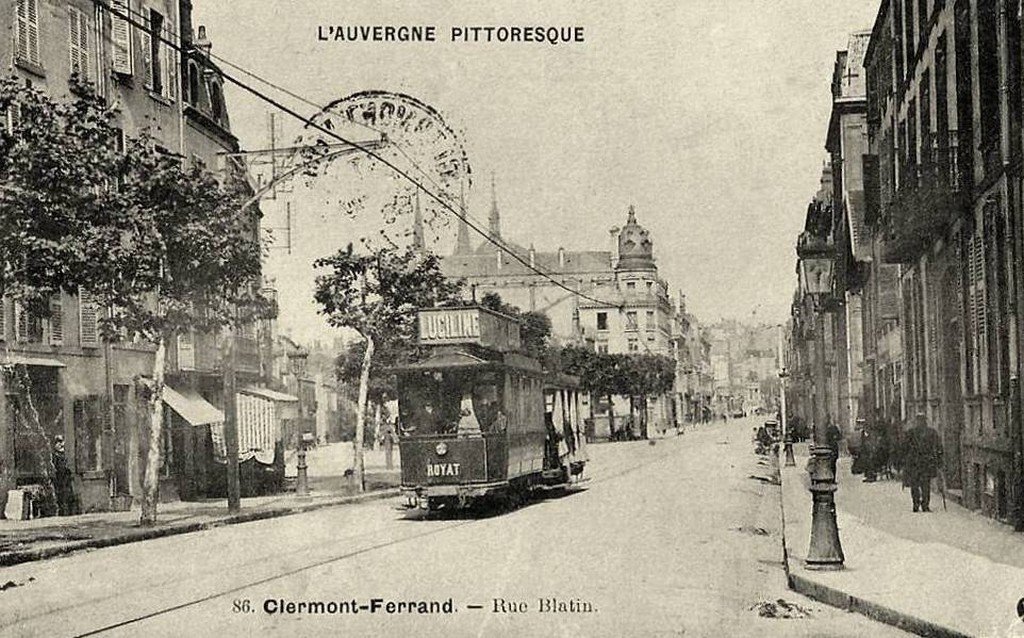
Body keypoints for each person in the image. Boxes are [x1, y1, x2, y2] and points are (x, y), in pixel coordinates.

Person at [903, 413, 942, 512]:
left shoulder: (911, 432)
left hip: (915, 463)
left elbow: (904, 448)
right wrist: (939, 460)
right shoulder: (931, 432)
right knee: (924, 485)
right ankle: (924, 505)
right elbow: (939, 447)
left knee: (916, 485)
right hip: (925, 462)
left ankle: (916, 504)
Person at [51, 435, 77, 517]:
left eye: (62, 442)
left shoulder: (64, 455)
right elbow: (55, 469)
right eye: (59, 443)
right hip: (59, 480)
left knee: (69, 496)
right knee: (61, 497)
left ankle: (70, 513)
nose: (61, 445)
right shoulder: (54, 456)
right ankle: (62, 513)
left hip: (66, 479)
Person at [825, 416, 842, 480]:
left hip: (829, 447)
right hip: (833, 447)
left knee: (831, 464)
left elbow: (839, 436)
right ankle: (832, 478)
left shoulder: (828, 429)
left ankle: (830, 478)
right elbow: (839, 437)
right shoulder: (834, 428)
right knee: (833, 464)